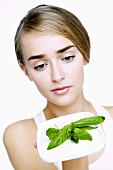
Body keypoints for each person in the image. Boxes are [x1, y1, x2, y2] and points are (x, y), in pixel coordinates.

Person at [3, 4, 113, 170]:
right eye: (40, 66)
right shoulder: (20, 136)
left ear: (85, 53)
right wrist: (70, 148)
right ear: (26, 71)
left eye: (67, 58)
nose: (57, 76)